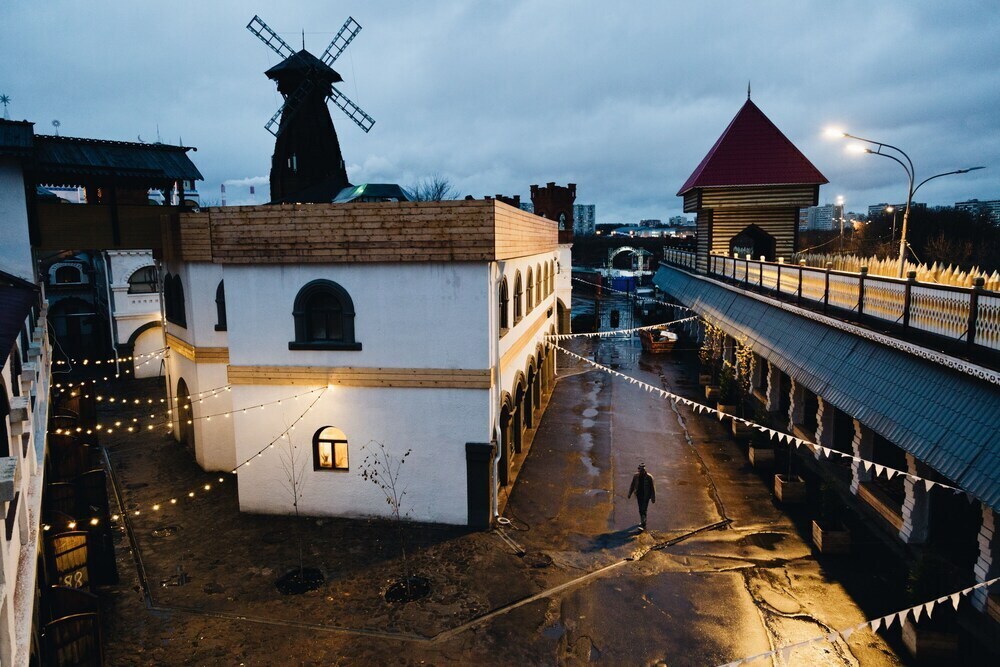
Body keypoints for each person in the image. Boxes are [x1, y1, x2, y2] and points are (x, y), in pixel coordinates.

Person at [627, 463, 656, 530]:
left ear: (644, 470)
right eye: (639, 470)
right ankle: (643, 521)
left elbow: (653, 488)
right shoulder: (636, 476)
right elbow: (632, 485)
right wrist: (629, 493)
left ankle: (643, 525)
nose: (640, 471)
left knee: (644, 509)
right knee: (640, 510)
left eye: (641, 470)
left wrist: (653, 498)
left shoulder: (649, 477)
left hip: (646, 496)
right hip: (638, 495)